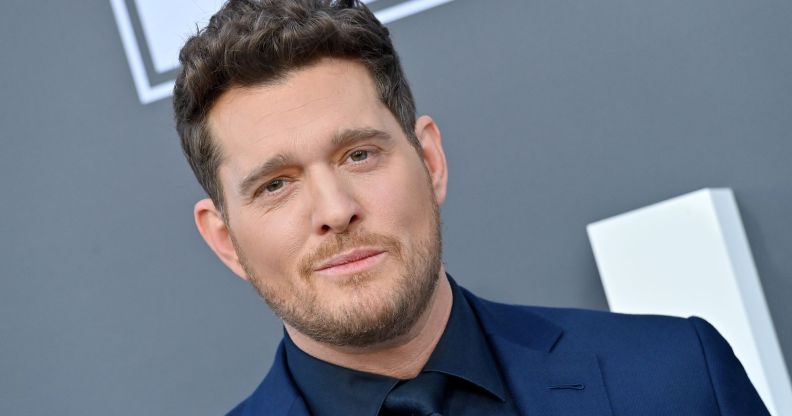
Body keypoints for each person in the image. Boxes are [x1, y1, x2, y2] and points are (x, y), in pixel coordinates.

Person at [172, 1, 770, 415]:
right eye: (275, 185)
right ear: (225, 241)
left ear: (430, 160)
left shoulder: (676, 378)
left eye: (358, 155)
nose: (334, 209)